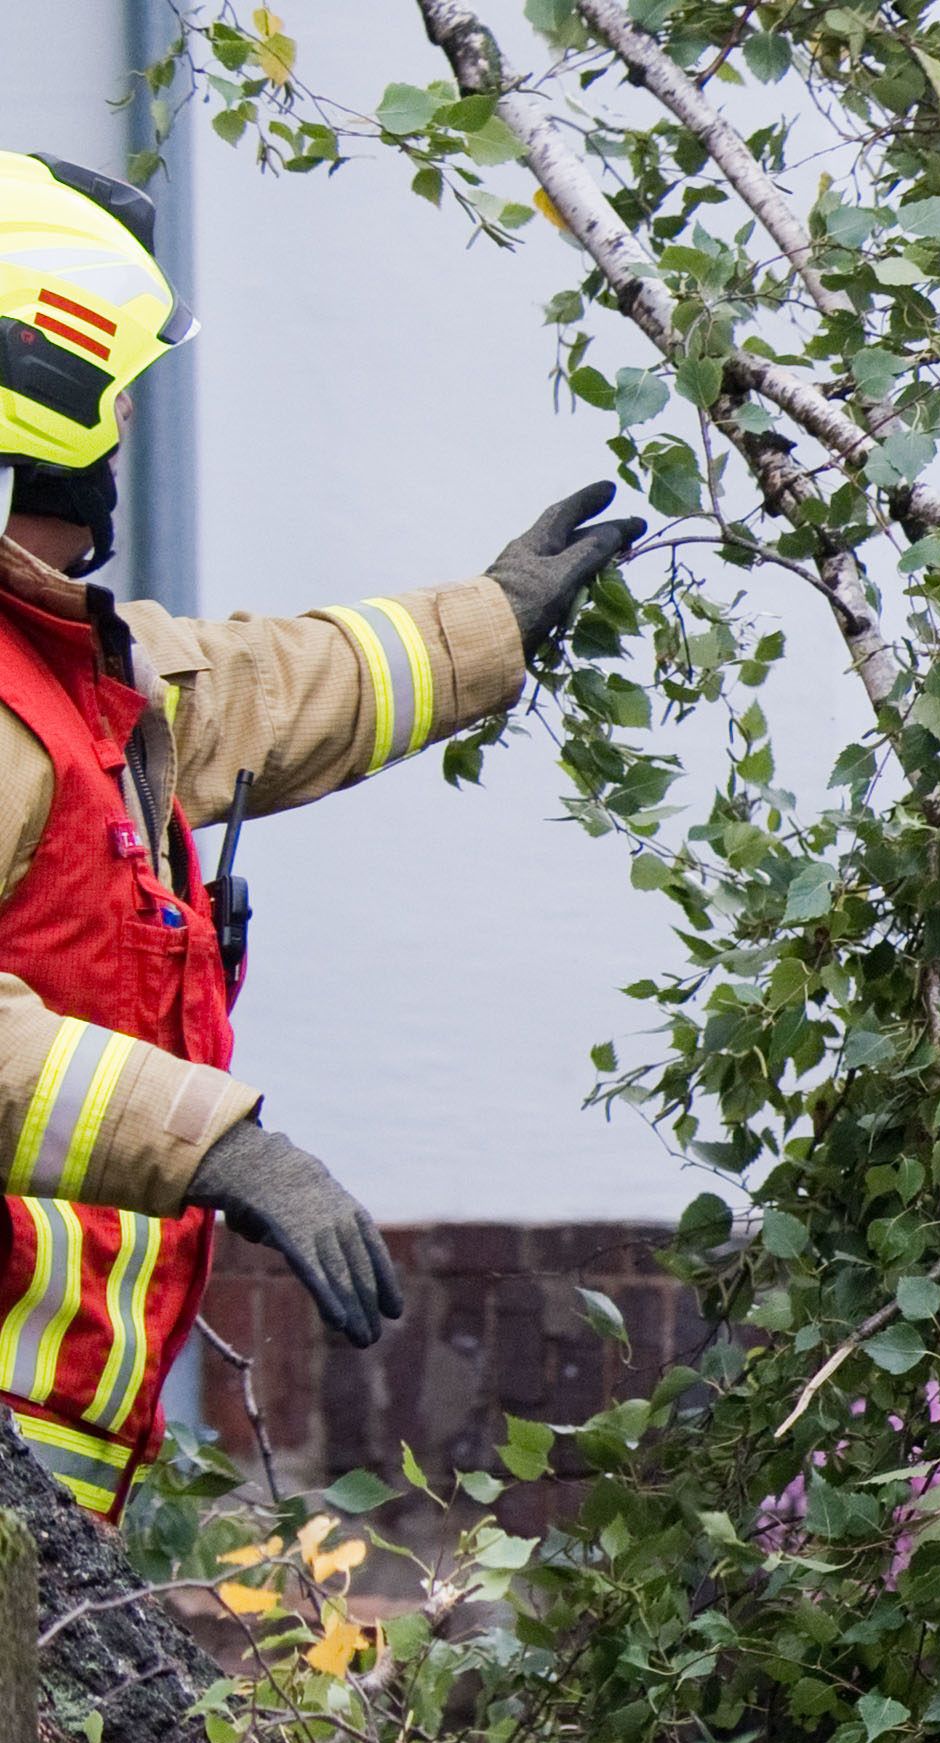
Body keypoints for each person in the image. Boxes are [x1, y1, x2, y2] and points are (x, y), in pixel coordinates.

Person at [0, 150, 641, 1514]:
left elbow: (253, 689)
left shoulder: (67, 672)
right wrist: (222, 1144)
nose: (109, 490)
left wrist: (486, 620)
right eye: (93, 442)